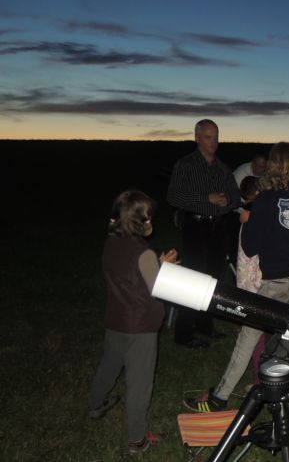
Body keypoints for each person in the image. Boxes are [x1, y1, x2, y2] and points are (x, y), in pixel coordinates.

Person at [184, 142, 289, 413]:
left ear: (273, 166)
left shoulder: (264, 202)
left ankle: (220, 398)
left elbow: (250, 247)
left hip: (275, 284)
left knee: (248, 337)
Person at [88, 190, 178, 455]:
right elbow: (157, 288)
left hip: (116, 317)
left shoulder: (111, 243)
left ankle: (95, 404)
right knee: (139, 384)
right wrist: (166, 267)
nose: (151, 219)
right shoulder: (144, 253)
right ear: (141, 219)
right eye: (148, 215)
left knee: (109, 364)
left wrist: (156, 264)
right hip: (140, 326)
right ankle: (138, 441)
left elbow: (130, 277)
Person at [167, 119, 241, 348]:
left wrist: (228, 200)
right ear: (197, 138)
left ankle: (205, 325)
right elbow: (173, 197)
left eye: (216, 137)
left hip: (218, 227)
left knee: (213, 279)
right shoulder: (186, 165)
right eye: (208, 137)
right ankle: (184, 331)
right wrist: (205, 199)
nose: (214, 142)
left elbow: (236, 198)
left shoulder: (222, 168)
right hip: (196, 227)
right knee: (193, 278)